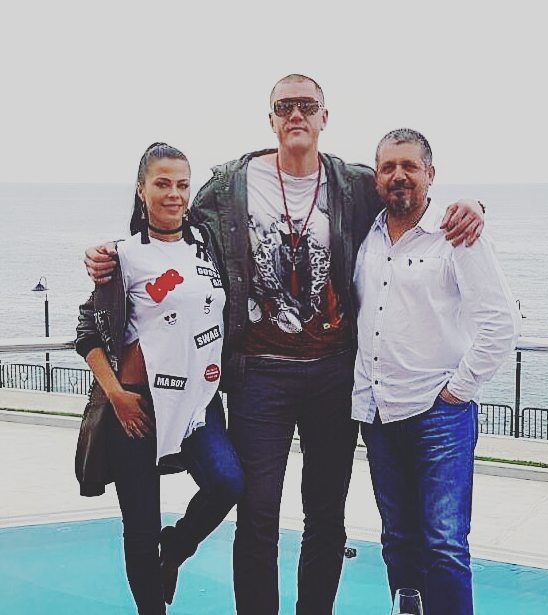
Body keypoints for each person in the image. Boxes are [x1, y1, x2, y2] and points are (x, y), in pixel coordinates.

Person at [83, 75, 484, 615]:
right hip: (259, 376)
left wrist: (474, 206)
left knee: (327, 517)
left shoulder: (354, 184)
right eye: (284, 106)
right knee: (257, 517)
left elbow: (410, 197)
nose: (296, 114)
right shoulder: (227, 186)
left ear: (324, 117)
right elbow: (169, 230)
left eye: (307, 106)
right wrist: (109, 255)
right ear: (270, 118)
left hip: (333, 374)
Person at [352, 128, 521, 615]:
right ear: (376, 178)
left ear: (430, 174)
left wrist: (458, 391)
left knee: (444, 544)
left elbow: (501, 323)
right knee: (397, 539)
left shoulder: (457, 235)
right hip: (379, 415)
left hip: (439, 415)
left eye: (410, 166)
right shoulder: (364, 233)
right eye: (388, 167)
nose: (398, 176)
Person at [75, 143, 244, 615]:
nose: (173, 194)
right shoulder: (122, 257)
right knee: (140, 528)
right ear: (141, 189)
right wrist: (116, 395)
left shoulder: (210, 246)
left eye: (182, 184)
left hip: (199, 402)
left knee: (227, 483)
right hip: (137, 406)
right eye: (162, 183)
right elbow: (87, 332)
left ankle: (177, 548)